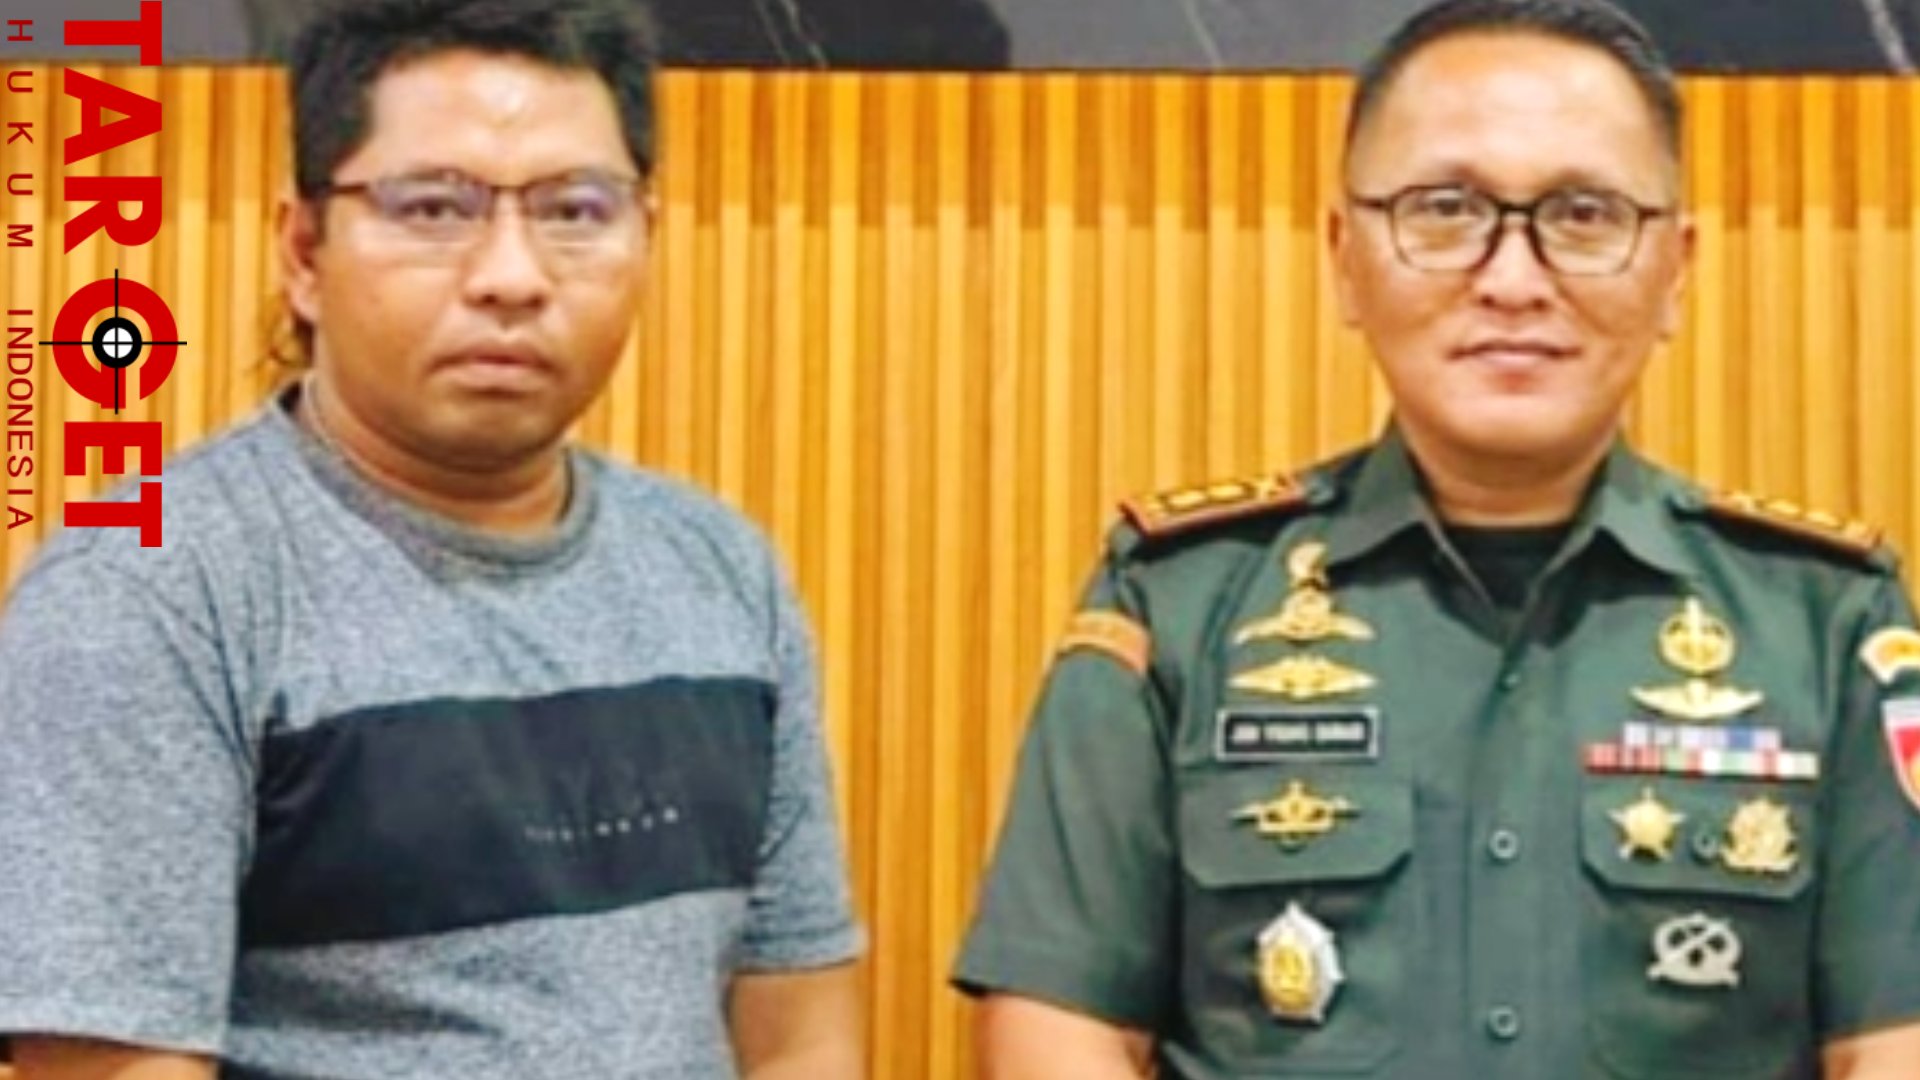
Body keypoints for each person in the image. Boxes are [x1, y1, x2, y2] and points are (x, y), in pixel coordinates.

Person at [952, 1, 1920, 1076]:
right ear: (1345, 257)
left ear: (1675, 270)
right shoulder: (1175, 602)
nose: (1513, 279)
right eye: (1447, 209)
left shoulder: (1828, 621)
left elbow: (1895, 1036)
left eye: (1585, 213)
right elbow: (1059, 1020)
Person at [0, 1, 864, 1077]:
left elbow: (800, 1036)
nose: (513, 275)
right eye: (433, 208)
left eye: (575, 210)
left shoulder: (721, 572)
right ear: (304, 251)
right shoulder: (151, 591)